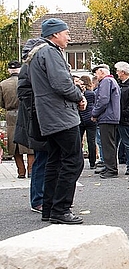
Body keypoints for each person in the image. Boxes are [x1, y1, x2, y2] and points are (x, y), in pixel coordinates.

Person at [29, 18, 86, 224]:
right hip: (61, 115)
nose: (69, 37)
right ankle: (61, 209)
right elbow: (62, 84)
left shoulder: (38, 53)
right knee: (73, 161)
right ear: (54, 35)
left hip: (49, 116)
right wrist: (79, 96)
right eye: (66, 33)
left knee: (54, 161)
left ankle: (50, 208)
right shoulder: (51, 52)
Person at [15, 39, 49, 214]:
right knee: (41, 160)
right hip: (37, 121)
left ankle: (46, 198)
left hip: (41, 119)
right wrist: (40, 108)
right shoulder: (29, 66)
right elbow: (24, 92)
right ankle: (38, 200)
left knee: (45, 160)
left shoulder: (32, 65)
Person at [0, 60, 34, 178]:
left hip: (11, 115)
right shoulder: (28, 81)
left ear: (9, 70)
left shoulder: (3, 84)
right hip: (26, 112)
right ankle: (31, 170)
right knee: (30, 142)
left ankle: (21, 171)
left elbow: (1, 102)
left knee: (14, 144)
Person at [92, 64, 121, 179]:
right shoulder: (112, 81)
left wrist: (94, 113)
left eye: (96, 73)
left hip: (106, 117)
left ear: (101, 72)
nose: (96, 75)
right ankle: (110, 167)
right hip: (112, 116)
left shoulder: (105, 82)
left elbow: (103, 100)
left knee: (107, 145)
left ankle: (111, 169)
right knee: (110, 144)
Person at [78, 75, 97, 169]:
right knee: (91, 141)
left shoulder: (82, 93)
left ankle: (78, 160)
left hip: (81, 118)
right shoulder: (92, 93)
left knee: (78, 140)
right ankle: (92, 162)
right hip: (90, 118)